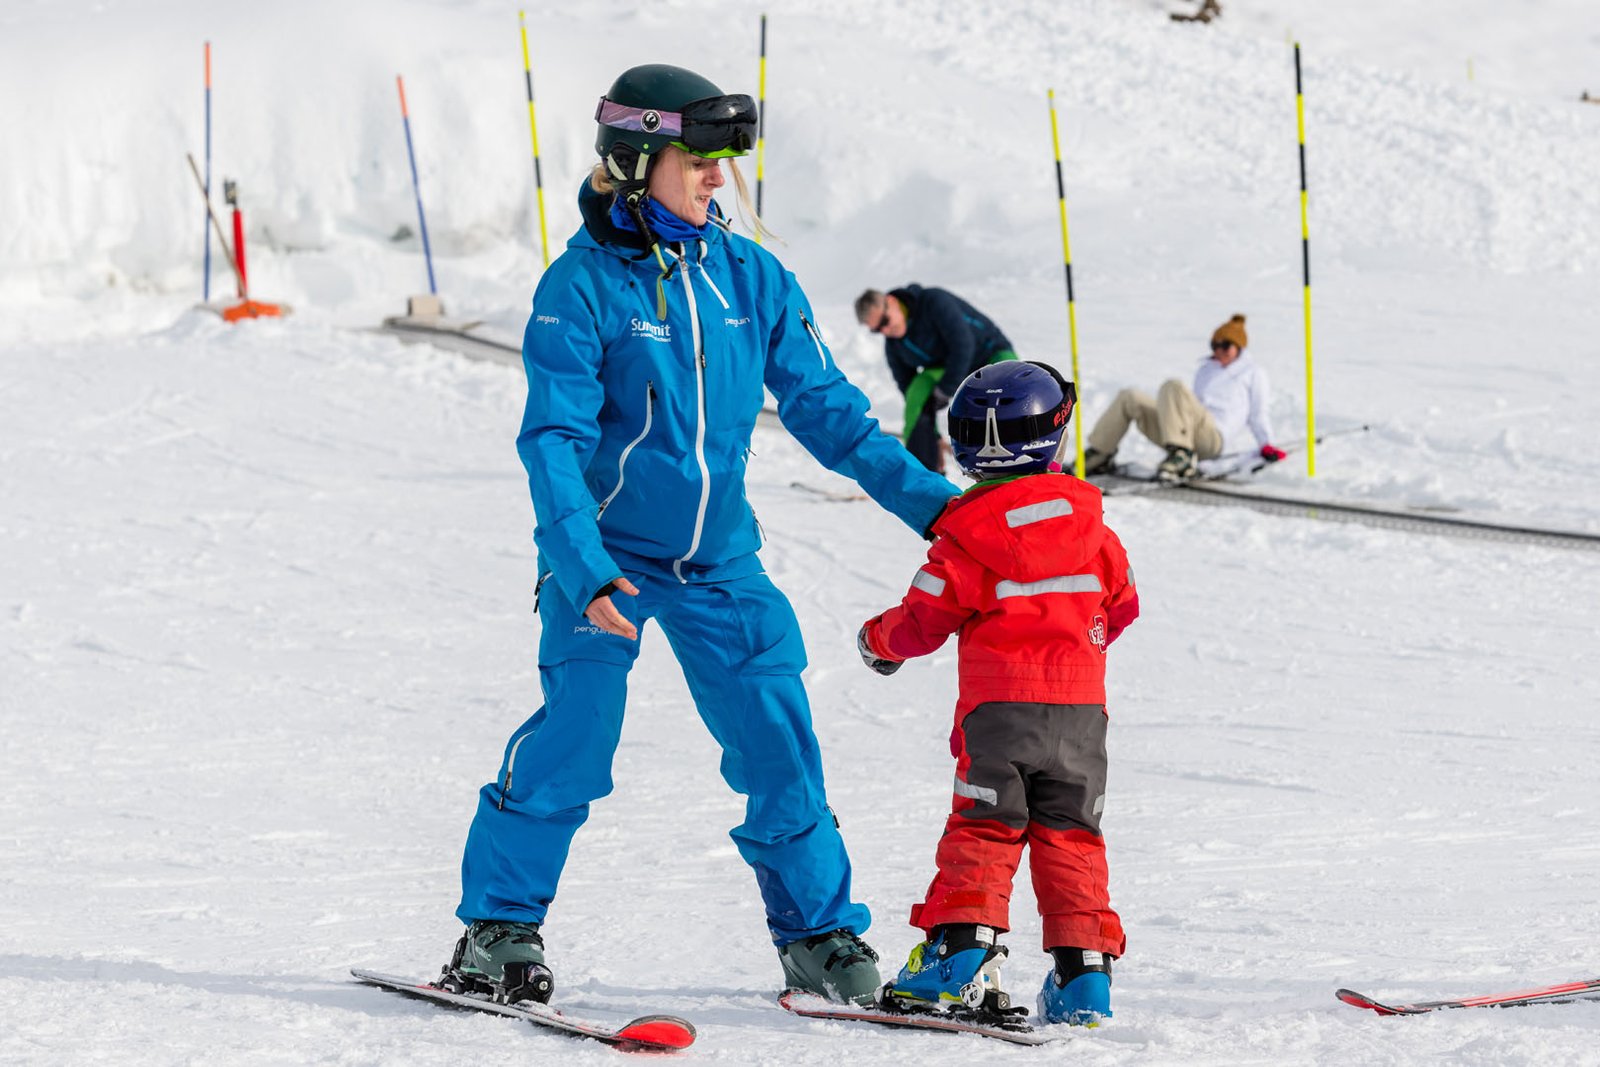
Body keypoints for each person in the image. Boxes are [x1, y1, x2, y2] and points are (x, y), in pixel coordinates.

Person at [446, 64, 958, 1009]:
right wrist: (583, 566)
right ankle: (497, 927)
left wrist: (941, 510)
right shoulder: (581, 287)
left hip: (720, 561)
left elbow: (830, 412)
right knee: (578, 732)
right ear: (635, 161)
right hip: (608, 557)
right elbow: (553, 442)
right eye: (698, 159)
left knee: (777, 737)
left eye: (722, 159)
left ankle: (817, 934)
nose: (717, 176)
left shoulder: (751, 276)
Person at [856, 361, 1139, 1026]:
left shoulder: (967, 537)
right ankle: (1083, 977)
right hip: (1081, 715)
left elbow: (922, 618)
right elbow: (1123, 604)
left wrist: (877, 641)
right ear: (1054, 436)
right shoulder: (1094, 530)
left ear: (962, 445)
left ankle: (959, 957)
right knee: (1072, 835)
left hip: (1000, 716)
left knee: (987, 826)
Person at [1082, 313, 1286, 481]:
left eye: (1225, 346)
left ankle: (1182, 456)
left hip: (1213, 438)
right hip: (1188, 433)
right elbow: (1187, 408)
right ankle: (1099, 454)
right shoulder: (1206, 370)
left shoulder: (1252, 373)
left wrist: (1267, 444)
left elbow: (1258, 414)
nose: (1219, 351)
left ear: (1239, 347)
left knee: (1173, 386)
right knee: (1130, 397)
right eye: (1215, 346)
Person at [854, 286, 1017, 473]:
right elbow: (908, 388)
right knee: (917, 392)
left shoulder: (932, 302)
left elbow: (963, 345)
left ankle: (1024, 456)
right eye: (877, 330)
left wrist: (945, 390)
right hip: (948, 368)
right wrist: (932, 434)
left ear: (891, 301)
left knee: (1010, 390)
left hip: (989, 353)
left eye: (884, 321)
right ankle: (925, 473)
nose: (885, 330)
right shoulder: (894, 346)